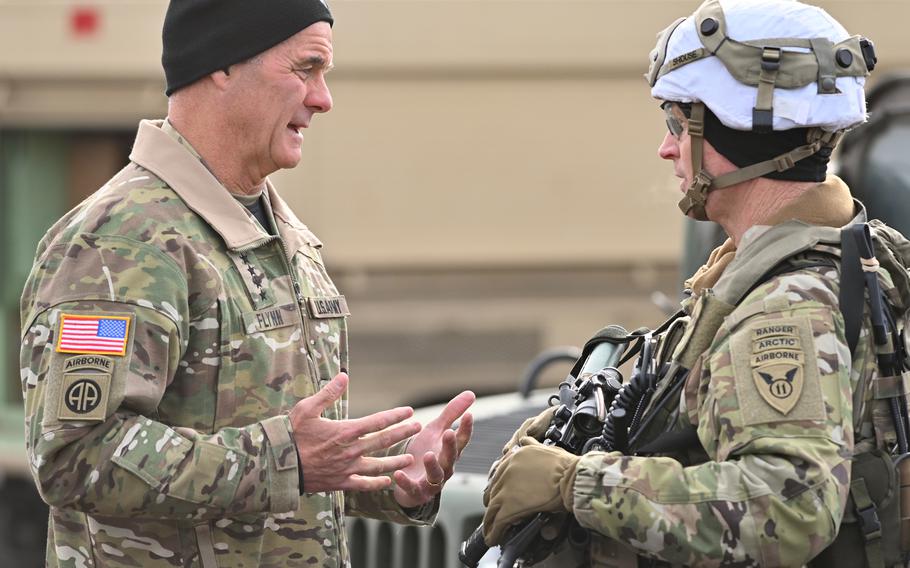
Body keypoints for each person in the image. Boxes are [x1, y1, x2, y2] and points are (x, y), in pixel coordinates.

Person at [19, 1, 474, 566]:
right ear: (222, 65)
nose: (322, 99)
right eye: (304, 70)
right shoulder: (120, 243)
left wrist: (389, 474)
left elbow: (286, 458)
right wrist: (286, 459)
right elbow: (72, 455)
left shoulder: (284, 234)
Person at [481, 0, 903, 566]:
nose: (666, 148)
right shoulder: (830, 253)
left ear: (737, 132)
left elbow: (790, 505)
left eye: (678, 125)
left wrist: (579, 483)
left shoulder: (784, 307)